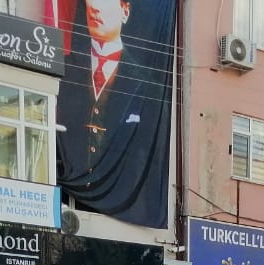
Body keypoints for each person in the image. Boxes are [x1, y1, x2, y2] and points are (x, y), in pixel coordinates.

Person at [55, 0, 175, 227]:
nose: (95, 7)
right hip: (67, 206)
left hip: (125, 216)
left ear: (125, 11)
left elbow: (153, 163)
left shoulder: (149, 88)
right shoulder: (64, 71)